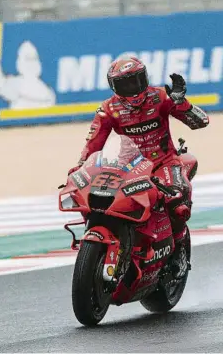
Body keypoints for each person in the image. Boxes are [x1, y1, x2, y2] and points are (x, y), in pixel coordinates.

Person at [68, 56, 209, 278]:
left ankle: (179, 250)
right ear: (114, 86)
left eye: (136, 81)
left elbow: (201, 121)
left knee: (178, 202)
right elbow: (93, 142)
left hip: (164, 163)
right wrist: (79, 167)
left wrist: (181, 102)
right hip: (127, 166)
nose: (132, 89)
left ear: (145, 78)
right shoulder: (108, 109)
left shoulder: (161, 97)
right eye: (125, 84)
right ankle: (113, 243)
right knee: (97, 197)